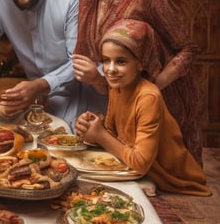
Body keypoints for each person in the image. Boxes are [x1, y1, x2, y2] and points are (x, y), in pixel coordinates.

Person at [69, 0, 203, 165]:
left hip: (165, 105)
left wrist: (151, 88)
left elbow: (187, 50)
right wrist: (96, 80)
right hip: (123, 110)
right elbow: (92, 62)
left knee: (168, 188)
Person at [75, 19, 211, 196]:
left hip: (169, 178)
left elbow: (140, 162)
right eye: (106, 61)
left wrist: (99, 135)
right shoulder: (117, 88)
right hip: (134, 166)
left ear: (140, 63)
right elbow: (112, 135)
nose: (110, 69)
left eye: (121, 62)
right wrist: (91, 128)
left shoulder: (148, 97)